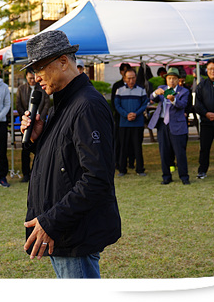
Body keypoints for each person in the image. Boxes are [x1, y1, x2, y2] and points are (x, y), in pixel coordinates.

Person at [19, 30, 121, 278]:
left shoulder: (87, 105)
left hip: (75, 234)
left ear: (63, 61)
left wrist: (51, 221)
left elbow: (96, 178)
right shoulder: (63, 104)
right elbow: (64, 162)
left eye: (40, 68)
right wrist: (38, 140)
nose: (36, 77)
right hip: (65, 231)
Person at [148, 68, 191, 185]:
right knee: (164, 152)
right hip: (163, 124)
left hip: (177, 125)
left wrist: (173, 100)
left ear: (178, 80)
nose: (171, 81)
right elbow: (152, 98)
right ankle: (166, 176)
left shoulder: (184, 91)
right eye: (169, 78)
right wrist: (155, 93)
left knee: (180, 152)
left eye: (174, 78)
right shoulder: (162, 88)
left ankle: (184, 177)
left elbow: (183, 105)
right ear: (166, 79)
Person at [16, 70, 50, 182]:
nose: (32, 80)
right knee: (25, 149)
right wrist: (25, 117)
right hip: (27, 123)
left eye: (33, 77)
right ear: (26, 77)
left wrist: (41, 118)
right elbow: (18, 104)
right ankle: (26, 173)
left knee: (41, 148)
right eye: (30, 78)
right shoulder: (21, 89)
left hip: (40, 122)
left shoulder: (42, 88)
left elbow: (46, 103)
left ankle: (38, 172)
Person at [114, 68, 148, 177]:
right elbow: (117, 105)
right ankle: (122, 169)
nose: (131, 80)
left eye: (133, 78)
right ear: (124, 78)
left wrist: (136, 114)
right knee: (123, 146)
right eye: (129, 78)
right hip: (124, 123)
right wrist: (126, 114)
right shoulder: (119, 90)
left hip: (138, 123)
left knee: (137, 146)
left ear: (136, 78)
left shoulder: (141, 90)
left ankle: (140, 169)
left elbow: (144, 104)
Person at [111, 63, 133, 169]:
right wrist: (124, 114)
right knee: (119, 141)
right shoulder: (117, 86)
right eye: (124, 70)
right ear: (121, 73)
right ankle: (117, 162)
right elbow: (114, 103)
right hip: (120, 118)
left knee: (131, 142)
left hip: (133, 119)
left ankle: (131, 162)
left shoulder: (135, 85)